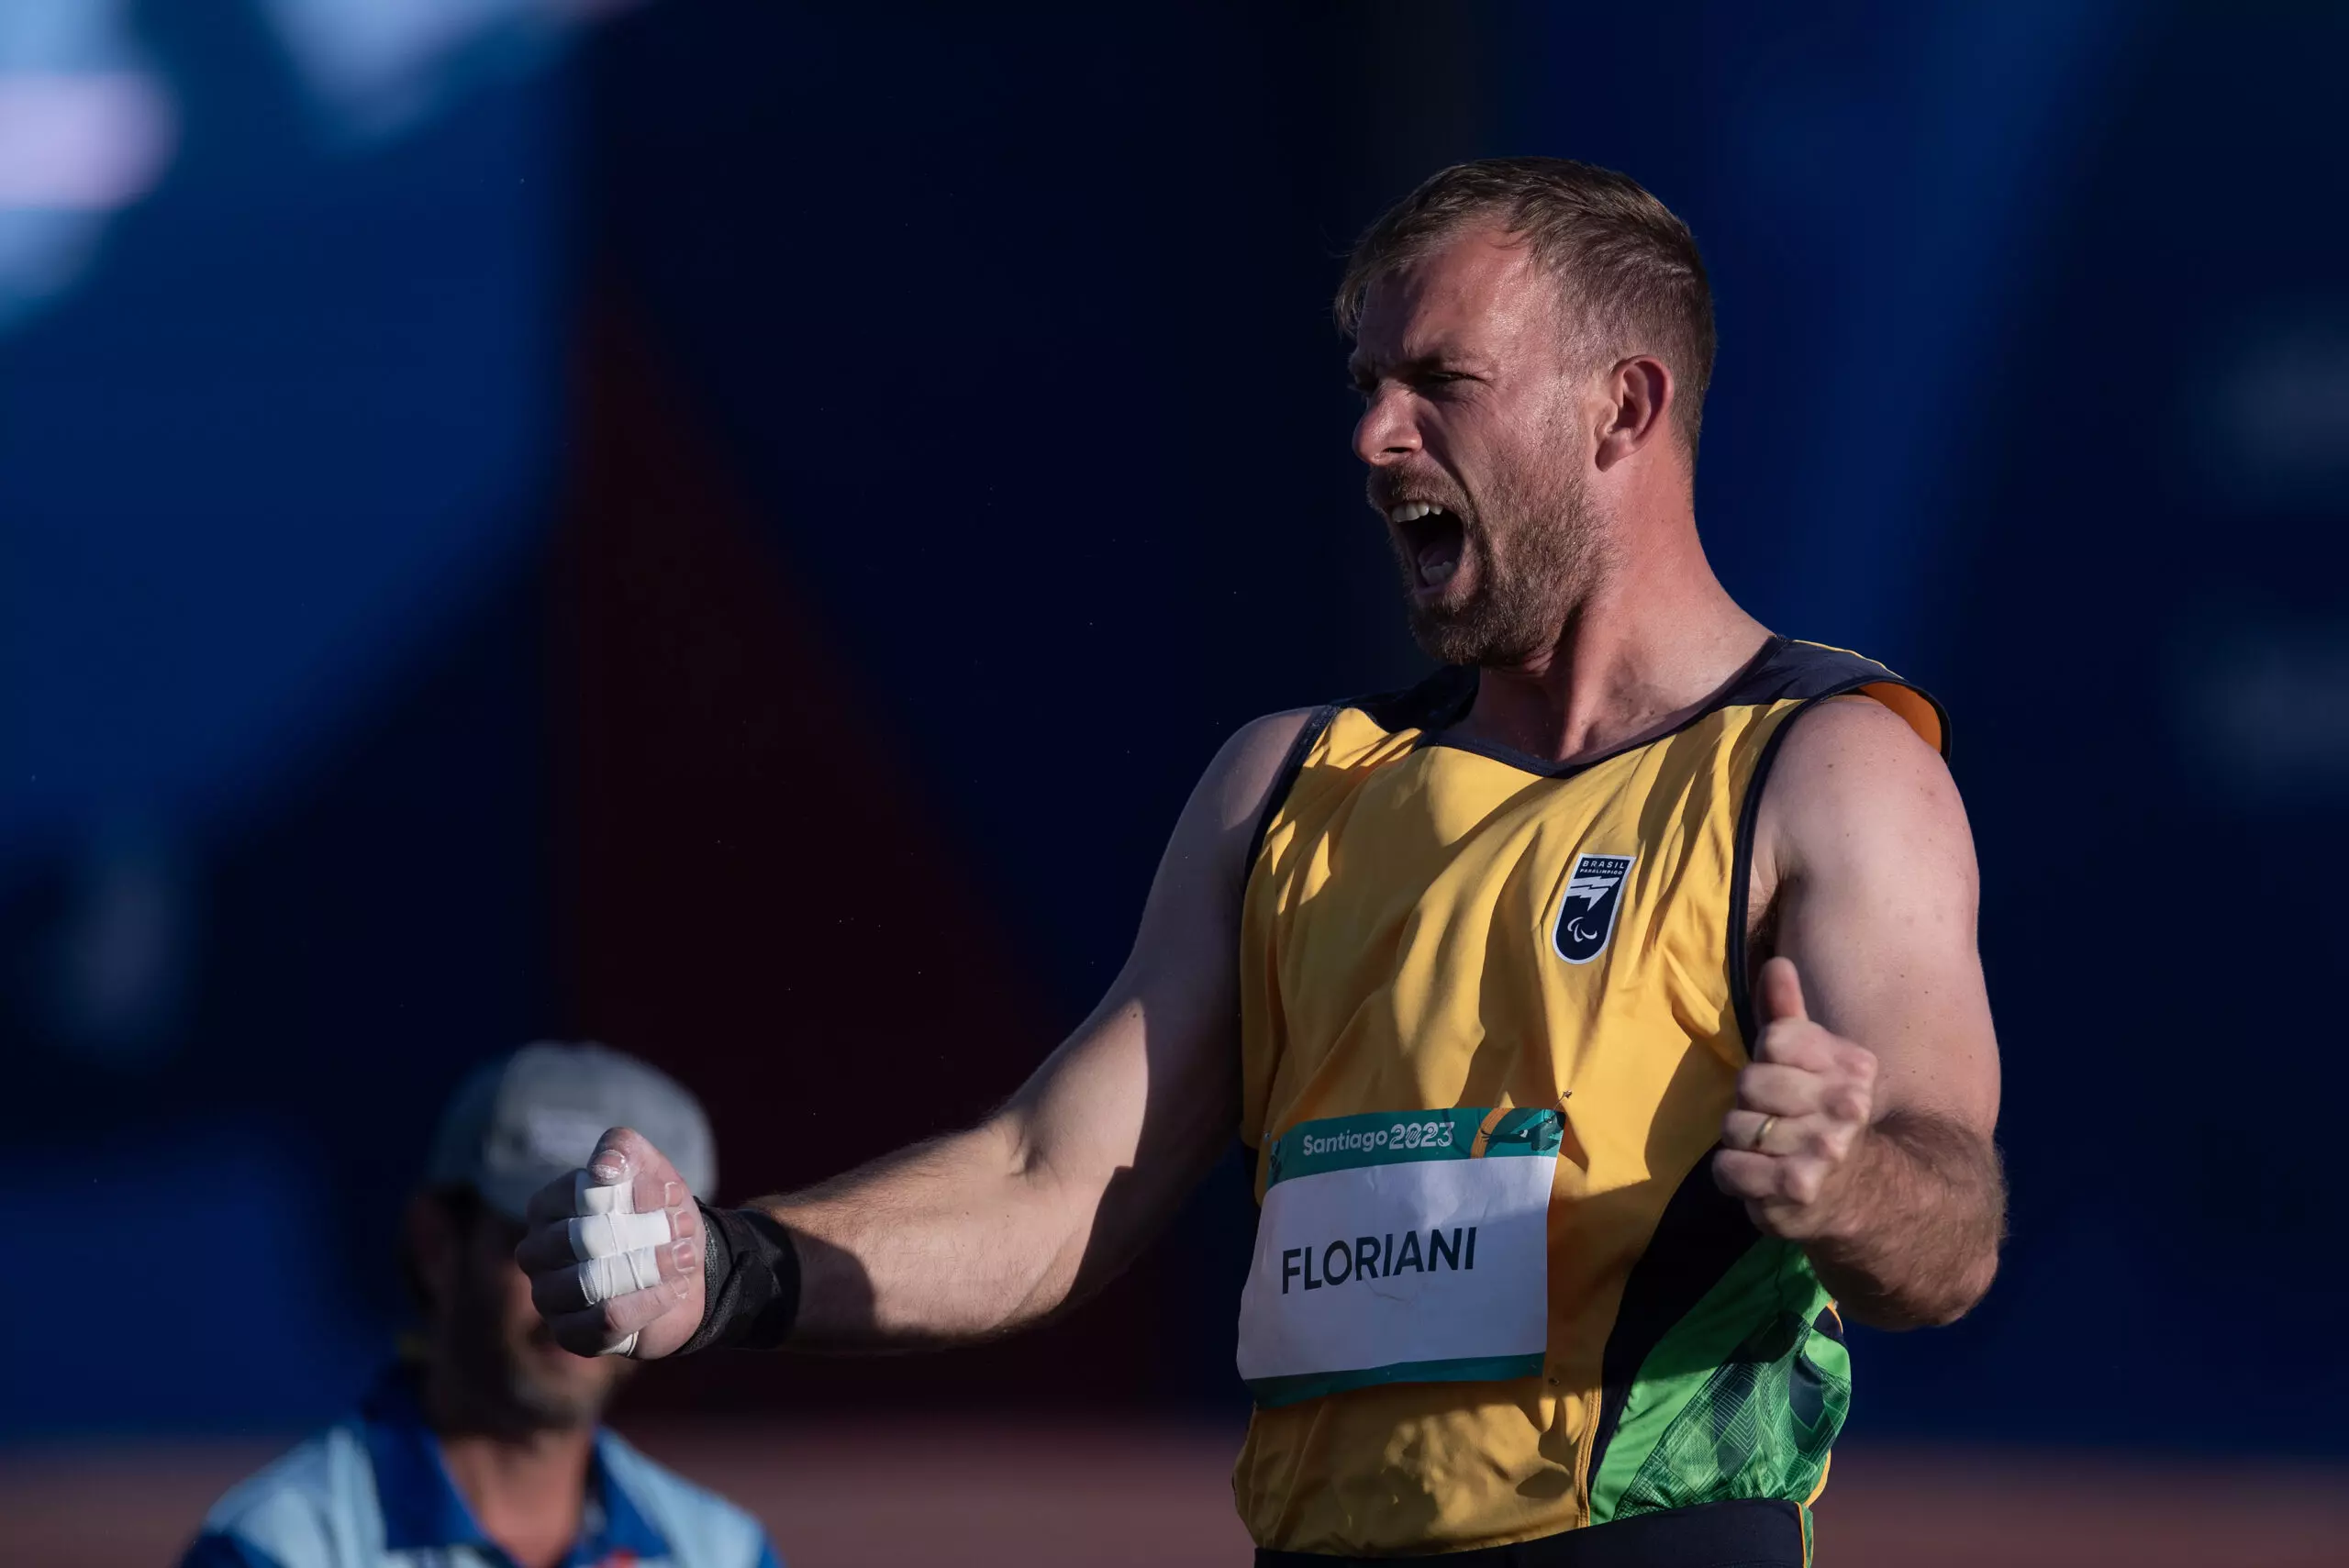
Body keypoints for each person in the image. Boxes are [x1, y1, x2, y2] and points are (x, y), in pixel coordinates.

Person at [518, 158, 2005, 1566]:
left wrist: (1852, 1177)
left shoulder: (1822, 768)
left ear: (1622, 407)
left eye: (1440, 383)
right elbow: (1050, 1177)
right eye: (1367, 387)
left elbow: (1950, 1218)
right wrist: (727, 1267)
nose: (1374, 438)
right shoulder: (1290, 786)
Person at [183, 1043, 782, 1568]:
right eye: (549, 1239)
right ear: (436, 1246)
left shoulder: (725, 1553)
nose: (591, 1291)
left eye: (630, 1256)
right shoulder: (273, 1551)